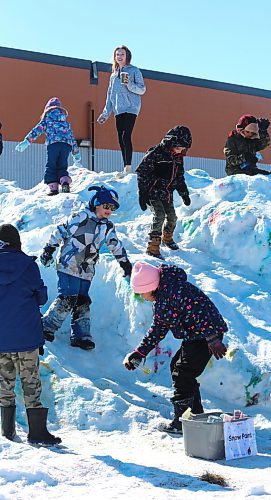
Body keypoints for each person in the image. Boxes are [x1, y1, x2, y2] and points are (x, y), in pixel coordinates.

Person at [124, 261, 228, 434]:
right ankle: (194, 416)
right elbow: (158, 329)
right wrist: (140, 352)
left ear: (151, 286)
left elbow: (200, 310)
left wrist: (212, 338)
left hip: (207, 336)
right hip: (197, 336)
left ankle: (183, 422)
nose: (142, 297)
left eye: (142, 293)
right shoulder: (164, 297)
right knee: (178, 368)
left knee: (183, 373)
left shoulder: (175, 291)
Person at [40, 185, 132, 350]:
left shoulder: (107, 227)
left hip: (86, 270)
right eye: (106, 206)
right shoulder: (81, 217)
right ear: (97, 203)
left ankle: (81, 336)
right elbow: (61, 231)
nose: (109, 210)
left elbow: (115, 245)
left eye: (112, 208)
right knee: (68, 297)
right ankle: (46, 327)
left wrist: (124, 263)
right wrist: (49, 248)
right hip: (69, 264)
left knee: (82, 301)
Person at [0, 224, 61, 445]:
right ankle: (37, 433)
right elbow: (41, 297)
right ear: (17, 242)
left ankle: (7, 431)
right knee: (30, 383)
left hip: (1, 339)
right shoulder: (28, 265)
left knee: (4, 384)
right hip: (26, 336)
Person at [136, 125, 192, 259]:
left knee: (172, 217)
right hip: (152, 192)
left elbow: (179, 176)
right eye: (179, 148)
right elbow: (142, 173)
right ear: (171, 142)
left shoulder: (178, 157)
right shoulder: (156, 153)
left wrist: (184, 193)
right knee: (159, 215)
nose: (180, 151)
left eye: (183, 149)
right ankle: (153, 246)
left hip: (167, 194)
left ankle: (167, 238)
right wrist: (143, 194)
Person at [15, 97, 81, 195]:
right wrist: (76, 153)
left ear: (47, 109)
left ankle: (53, 188)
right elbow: (71, 137)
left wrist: (26, 141)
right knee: (62, 166)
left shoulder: (47, 119)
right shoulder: (66, 122)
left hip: (53, 144)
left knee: (51, 165)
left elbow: (36, 131)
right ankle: (65, 182)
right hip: (66, 145)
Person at [97, 45, 146, 175]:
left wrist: (129, 84)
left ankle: (128, 167)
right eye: (117, 54)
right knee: (120, 138)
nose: (120, 56)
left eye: (122, 54)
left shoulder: (134, 70)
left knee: (126, 135)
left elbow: (142, 89)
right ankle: (125, 166)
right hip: (119, 109)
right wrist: (105, 114)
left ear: (127, 56)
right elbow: (110, 96)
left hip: (132, 107)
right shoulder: (113, 76)